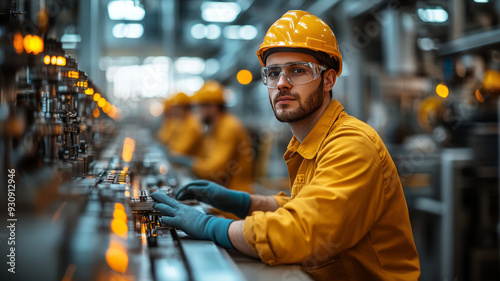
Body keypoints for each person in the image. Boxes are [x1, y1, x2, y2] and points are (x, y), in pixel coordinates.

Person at [151, 10, 421, 280]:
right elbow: (303, 207)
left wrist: (210, 226)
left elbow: (299, 231)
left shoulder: (352, 144)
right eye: (273, 72)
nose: (281, 83)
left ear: (328, 79)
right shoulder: (307, 142)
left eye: (298, 71)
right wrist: (244, 203)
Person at [170, 80, 254, 193]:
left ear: (213, 107)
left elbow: (214, 170)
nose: (198, 112)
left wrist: (189, 162)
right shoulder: (215, 127)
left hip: (232, 198)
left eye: (201, 107)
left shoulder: (229, 128)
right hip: (221, 191)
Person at [161, 92, 203, 157]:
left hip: (188, 165)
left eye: (176, 108)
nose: (173, 111)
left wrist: (169, 149)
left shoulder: (192, 125)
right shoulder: (180, 123)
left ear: (184, 107)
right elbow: (164, 140)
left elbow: (179, 151)